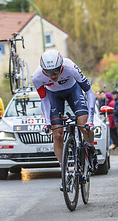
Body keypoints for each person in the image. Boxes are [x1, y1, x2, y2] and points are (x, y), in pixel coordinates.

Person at [32, 50, 97, 190]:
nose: (54, 75)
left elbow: (89, 92)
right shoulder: (36, 76)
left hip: (73, 91)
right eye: (49, 72)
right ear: (43, 70)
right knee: (57, 134)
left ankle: (90, 148)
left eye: (56, 70)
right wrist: (47, 122)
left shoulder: (69, 66)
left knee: (83, 125)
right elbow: (44, 100)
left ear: (61, 65)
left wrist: (91, 119)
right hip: (54, 96)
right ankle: (65, 171)